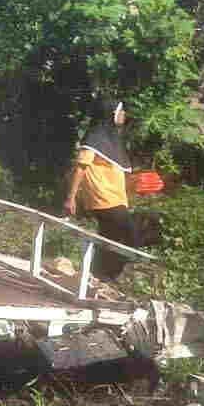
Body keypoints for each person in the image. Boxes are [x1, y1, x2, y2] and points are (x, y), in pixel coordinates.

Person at [62, 98, 141, 282]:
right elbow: (80, 168)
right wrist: (71, 198)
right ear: (110, 113)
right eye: (120, 111)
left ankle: (99, 275)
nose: (123, 115)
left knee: (109, 238)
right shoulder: (94, 137)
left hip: (115, 198)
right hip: (103, 198)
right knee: (132, 234)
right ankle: (110, 272)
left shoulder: (111, 136)